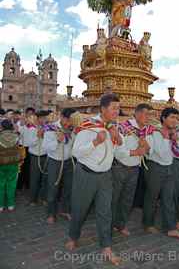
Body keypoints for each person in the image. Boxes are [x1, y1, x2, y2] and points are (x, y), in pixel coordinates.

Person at [66, 93, 123, 265]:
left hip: (105, 175)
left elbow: (117, 150)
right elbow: (75, 152)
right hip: (86, 174)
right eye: (114, 108)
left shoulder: (114, 126)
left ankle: (106, 246)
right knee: (80, 209)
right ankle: (73, 236)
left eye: (118, 108)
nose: (117, 111)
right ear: (103, 108)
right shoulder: (88, 125)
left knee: (105, 212)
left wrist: (118, 139)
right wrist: (95, 142)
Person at [143, 108, 179, 239]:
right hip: (155, 168)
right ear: (163, 118)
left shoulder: (174, 134)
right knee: (152, 197)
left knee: (169, 197)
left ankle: (170, 227)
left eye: (176, 118)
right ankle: (148, 223)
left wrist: (175, 138)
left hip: (169, 167)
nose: (175, 120)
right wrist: (168, 138)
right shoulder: (155, 132)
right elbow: (161, 153)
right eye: (172, 117)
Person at [112, 103, 152, 236]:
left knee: (127, 199)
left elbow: (149, 152)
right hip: (119, 167)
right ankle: (109, 224)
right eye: (147, 114)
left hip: (135, 168)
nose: (148, 118)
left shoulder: (146, 130)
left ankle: (121, 224)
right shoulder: (124, 127)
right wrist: (136, 152)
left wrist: (146, 147)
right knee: (114, 198)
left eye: (149, 115)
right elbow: (117, 151)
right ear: (138, 113)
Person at [42, 108, 76, 224]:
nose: (68, 123)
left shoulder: (72, 129)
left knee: (69, 187)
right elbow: (46, 147)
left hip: (69, 161)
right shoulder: (51, 128)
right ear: (61, 116)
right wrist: (57, 139)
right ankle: (51, 213)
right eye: (67, 119)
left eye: (71, 121)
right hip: (54, 162)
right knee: (53, 188)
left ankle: (65, 210)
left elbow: (74, 145)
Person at [26, 110, 49, 206]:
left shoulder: (48, 128)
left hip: (46, 156)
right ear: (38, 118)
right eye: (43, 118)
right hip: (35, 157)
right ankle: (33, 199)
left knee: (45, 178)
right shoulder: (32, 128)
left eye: (45, 118)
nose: (44, 120)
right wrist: (38, 136)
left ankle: (44, 198)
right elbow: (29, 143)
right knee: (34, 179)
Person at [0, 119, 20, 212]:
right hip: (13, 163)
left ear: (2, 127)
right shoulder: (16, 136)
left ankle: (1, 205)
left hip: (1, 164)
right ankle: (10, 204)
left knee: (1, 184)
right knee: (11, 184)